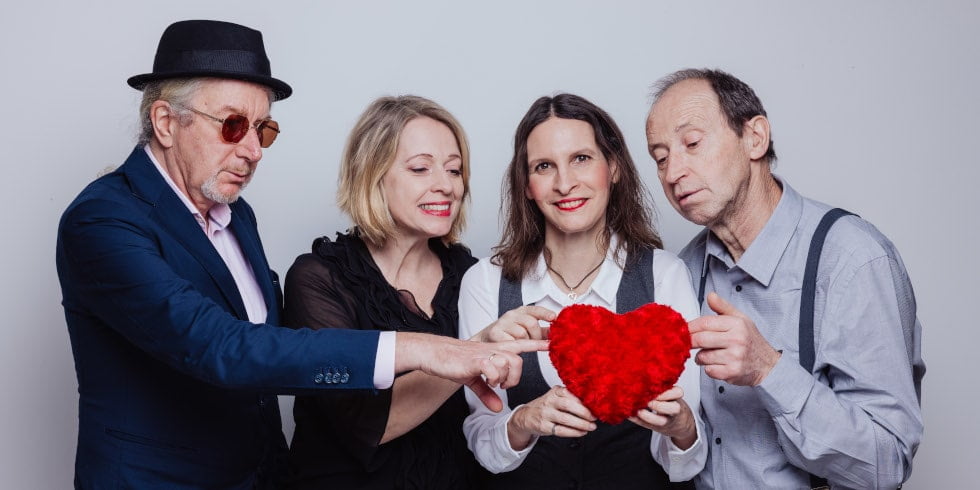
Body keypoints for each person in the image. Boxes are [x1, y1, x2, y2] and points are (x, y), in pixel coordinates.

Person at [55, 20, 543, 489]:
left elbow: (268, 358)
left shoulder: (235, 215)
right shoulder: (102, 221)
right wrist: (427, 348)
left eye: (263, 130)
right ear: (165, 121)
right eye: (233, 126)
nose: (254, 150)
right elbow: (220, 346)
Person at [645, 68, 925, 489]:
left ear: (754, 137)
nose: (672, 173)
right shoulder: (681, 272)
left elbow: (885, 466)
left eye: (692, 144)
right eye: (661, 157)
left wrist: (767, 370)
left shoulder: (853, 259)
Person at [458, 93, 707, 489]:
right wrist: (523, 421)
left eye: (581, 159)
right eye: (544, 166)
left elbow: (686, 463)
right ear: (526, 186)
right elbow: (481, 442)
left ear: (614, 168)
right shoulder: (485, 281)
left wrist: (681, 427)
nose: (564, 183)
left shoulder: (665, 274)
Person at [281, 95, 487, 488]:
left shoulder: (473, 277)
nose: (445, 186)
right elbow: (363, 423)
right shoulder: (320, 278)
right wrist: (476, 352)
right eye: (421, 168)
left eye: (455, 170)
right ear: (372, 175)